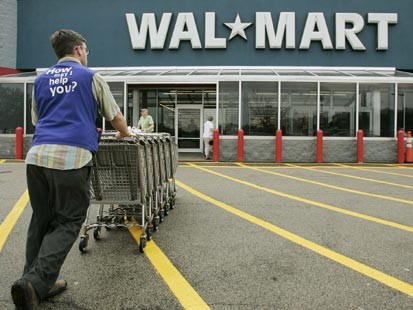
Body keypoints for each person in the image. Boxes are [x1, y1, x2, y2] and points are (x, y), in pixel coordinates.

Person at [11, 29, 130, 309]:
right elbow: (115, 117)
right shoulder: (90, 77)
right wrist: (124, 133)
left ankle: (33, 281)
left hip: (38, 156)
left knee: (41, 219)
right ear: (78, 49)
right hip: (71, 157)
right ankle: (35, 283)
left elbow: (38, 121)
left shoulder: (40, 81)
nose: (87, 55)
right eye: (86, 51)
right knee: (69, 220)